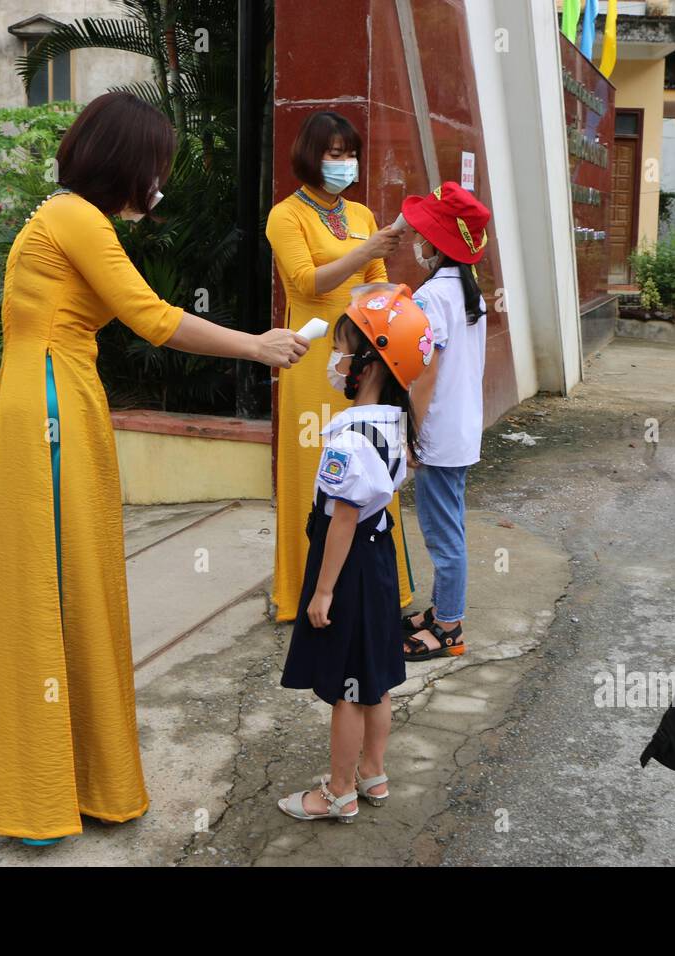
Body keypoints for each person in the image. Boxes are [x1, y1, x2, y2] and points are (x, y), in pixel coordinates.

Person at [0, 92, 308, 846]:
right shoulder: (74, 219)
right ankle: (44, 800)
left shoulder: (69, 217)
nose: (158, 184)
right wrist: (259, 346)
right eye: (155, 168)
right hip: (50, 409)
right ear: (126, 164)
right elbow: (154, 317)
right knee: (54, 587)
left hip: (54, 395)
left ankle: (78, 782)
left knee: (69, 585)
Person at [277, 284, 434, 822]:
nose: (335, 359)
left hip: (347, 570)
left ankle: (338, 792)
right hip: (378, 561)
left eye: (342, 349)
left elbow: (341, 519)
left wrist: (322, 590)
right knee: (375, 679)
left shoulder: (348, 440)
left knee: (345, 688)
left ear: (367, 365)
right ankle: (373, 771)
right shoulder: (394, 422)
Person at [266, 111, 414, 624]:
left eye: (349, 153)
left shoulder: (363, 216)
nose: (344, 162)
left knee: (371, 463)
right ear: (310, 155)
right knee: (318, 469)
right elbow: (307, 283)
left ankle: (374, 589)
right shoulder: (286, 216)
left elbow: (377, 281)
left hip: (363, 358)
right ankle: (306, 594)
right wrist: (367, 252)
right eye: (333, 153)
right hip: (311, 361)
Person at [397, 183, 492, 661]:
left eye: (423, 233)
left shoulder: (434, 295)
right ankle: (440, 611)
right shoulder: (467, 291)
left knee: (442, 532)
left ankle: (449, 627)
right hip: (459, 428)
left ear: (437, 244)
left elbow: (425, 375)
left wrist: (410, 433)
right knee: (448, 524)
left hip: (438, 431)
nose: (417, 239)